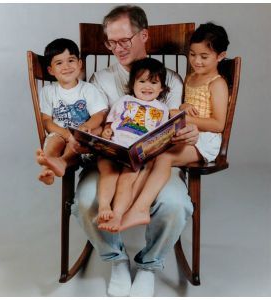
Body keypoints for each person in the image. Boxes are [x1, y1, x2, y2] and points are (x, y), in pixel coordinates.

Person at [70, 5, 200, 297]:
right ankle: (115, 260)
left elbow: (176, 125)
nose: (117, 48)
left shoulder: (171, 81)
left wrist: (188, 132)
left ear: (144, 36)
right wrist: (88, 137)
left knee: (175, 206)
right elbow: (97, 123)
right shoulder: (100, 80)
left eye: (124, 40)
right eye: (111, 42)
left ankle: (149, 266)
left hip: (155, 167)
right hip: (110, 164)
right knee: (87, 202)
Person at [119, 22, 230, 231]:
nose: (196, 61)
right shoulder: (191, 77)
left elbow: (218, 124)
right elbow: (186, 106)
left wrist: (182, 116)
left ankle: (141, 208)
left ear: (220, 56)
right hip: (185, 133)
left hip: (205, 141)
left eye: (204, 57)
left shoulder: (217, 84)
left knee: (164, 156)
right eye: (192, 54)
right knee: (150, 152)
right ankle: (127, 205)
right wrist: (185, 106)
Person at [96, 58, 170, 233]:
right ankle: (104, 207)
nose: (147, 86)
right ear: (132, 84)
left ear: (162, 88)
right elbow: (110, 121)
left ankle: (117, 215)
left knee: (126, 180)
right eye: (142, 81)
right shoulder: (124, 100)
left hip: (136, 154)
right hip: (113, 147)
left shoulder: (161, 109)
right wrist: (106, 131)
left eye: (153, 82)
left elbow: (161, 136)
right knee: (109, 172)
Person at [35, 38, 108, 185]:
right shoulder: (48, 91)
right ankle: (47, 171)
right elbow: (47, 121)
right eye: (59, 63)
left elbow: (99, 114)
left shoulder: (88, 89)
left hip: (82, 138)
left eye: (71, 60)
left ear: (80, 64)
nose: (66, 66)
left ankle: (62, 161)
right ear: (51, 70)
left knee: (83, 137)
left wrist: (86, 127)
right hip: (60, 133)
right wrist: (66, 134)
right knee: (54, 139)